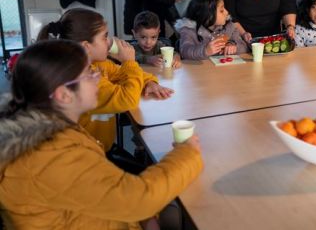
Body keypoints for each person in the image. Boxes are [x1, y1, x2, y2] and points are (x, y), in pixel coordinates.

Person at [0, 39, 203, 230]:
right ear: (64, 95)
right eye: (89, 74)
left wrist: (143, 216)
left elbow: (107, 193)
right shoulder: (49, 154)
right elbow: (138, 200)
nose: (98, 77)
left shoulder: (52, 132)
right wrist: (188, 153)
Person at [37, 8, 173, 157]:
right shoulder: (82, 82)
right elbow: (128, 99)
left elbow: (123, 72)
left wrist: (149, 82)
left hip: (100, 147)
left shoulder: (97, 65)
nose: (109, 42)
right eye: (104, 37)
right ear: (86, 46)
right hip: (84, 157)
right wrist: (129, 61)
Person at [175, 0, 248, 60]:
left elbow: (244, 47)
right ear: (207, 14)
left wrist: (233, 46)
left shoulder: (229, 26)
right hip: (199, 71)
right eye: (221, 10)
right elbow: (185, 51)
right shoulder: (189, 30)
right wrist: (205, 51)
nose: (227, 12)